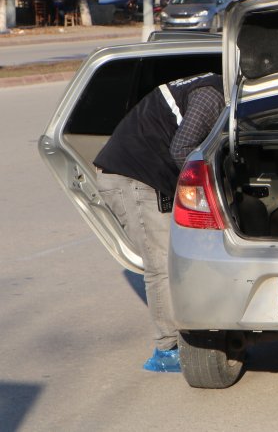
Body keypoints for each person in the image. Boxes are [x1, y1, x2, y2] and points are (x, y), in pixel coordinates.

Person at [93, 72, 225, 372]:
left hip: (148, 177)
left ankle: (193, 333)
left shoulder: (208, 89)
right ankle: (167, 348)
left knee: (181, 261)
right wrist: (210, 197)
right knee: (163, 264)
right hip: (132, 178)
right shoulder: (212, 94)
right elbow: (183, 148)